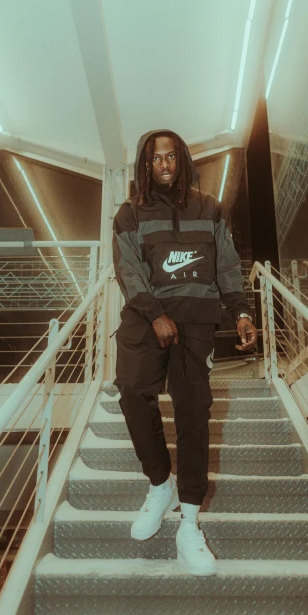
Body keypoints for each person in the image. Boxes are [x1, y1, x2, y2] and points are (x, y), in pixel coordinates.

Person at [112, 129, 257, 576]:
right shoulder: (130, 213)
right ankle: (160, 484)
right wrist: (154, 311)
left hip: (196, 319)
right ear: (145, 165)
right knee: (134, 391)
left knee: (193, 412)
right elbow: (128, 267)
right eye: (156, 159)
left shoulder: (209, 207)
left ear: (183, 160)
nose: (165, 164)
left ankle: (189, 523)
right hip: (146, 315)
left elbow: (227, 263)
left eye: (172, 156)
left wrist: (241, 312)